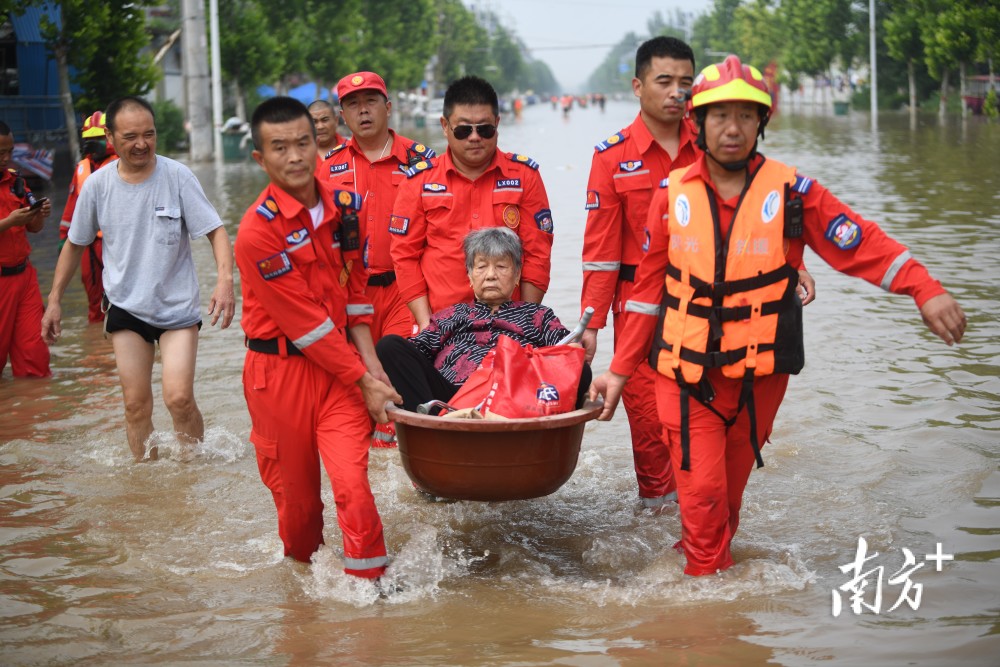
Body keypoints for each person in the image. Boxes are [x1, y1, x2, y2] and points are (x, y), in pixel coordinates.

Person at [590, 55, 967, 577]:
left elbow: (858, 242)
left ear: (761, 123)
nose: (733, 128)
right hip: (685, 377)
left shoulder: (794, 193)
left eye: (746, 115)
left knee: (728, 503)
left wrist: (924, 289)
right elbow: (647, 294)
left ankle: (703, 576)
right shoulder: (669, 197)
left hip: (758, 376)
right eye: (720, 115)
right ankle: (705, 619)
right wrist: (620, 369)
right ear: (697, 123)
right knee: (702, 500)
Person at [581, 36, 816, 510]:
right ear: (638, 86)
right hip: (642, 309)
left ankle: (707, 525)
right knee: (650, 427)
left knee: (725, 419)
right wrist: (591, 323)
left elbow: (761, 210)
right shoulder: (611, 156)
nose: (676, 92)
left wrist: (795, 263)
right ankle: (663, 524)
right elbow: (601, 253)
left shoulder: (717, 140)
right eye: (664, 81)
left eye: (685, 82)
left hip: (719, 306)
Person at [234, 96, 401, 579]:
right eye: (279, 147)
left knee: (353, 484)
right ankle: (303, 599)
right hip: (278, 377)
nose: (294, 157)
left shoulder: (345, 207)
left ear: (320, 143)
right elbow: (305, 324)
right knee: (299, 509)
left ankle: (371, 591)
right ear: (260, 159)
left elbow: (354, 293)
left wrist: (372, 369)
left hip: (340, 374)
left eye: (303, 143)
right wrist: (364, 378)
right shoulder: (256, 233)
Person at [41, 96, 235, 462]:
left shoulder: (177, 176)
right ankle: (147, 480)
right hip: (126, 306)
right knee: (135, 405)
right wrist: (53, 302)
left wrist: (225, 281)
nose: (141, 144)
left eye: (149, 134)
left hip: (176, 308)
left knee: (178, 398)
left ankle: (192, 470)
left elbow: (216, 231)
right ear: (111, 139)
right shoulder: (97, 186)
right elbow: (74, 244)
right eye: (130, 136)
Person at [322, 70, 436, 447]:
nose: (363, 111)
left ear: (388, 107)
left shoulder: (422, 162)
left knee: (397, 376)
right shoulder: (329, 167)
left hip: (406, 290)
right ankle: (369, 467)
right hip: (352, 296)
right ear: (343, 116)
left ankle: (404, 461)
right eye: (352, 104)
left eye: (371, 101)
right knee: (357, 388)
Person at [390, 75, 554, 330]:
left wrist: (526, 319)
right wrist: (425, 325)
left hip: (508, 323)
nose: (475, 137)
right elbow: (404, 257)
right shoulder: (418, 182)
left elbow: (537, 254)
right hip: (440, 324)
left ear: (498, 124)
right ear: (445, 126)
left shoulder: (524, 177)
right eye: (464, 130)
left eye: (484, 129)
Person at [378, 227, 589, 412]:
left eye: (501, 267)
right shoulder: (452, 315)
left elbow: (565, 348)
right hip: (451, 398)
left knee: (581, 368)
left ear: (517, 276)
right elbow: (416, 352)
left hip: (519, 397)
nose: (490, 275)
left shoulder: (536, 315)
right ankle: (438, 422)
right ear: (469, 275)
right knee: (389, 347)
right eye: (481, 267)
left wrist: (575, 348)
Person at [0, 121, 52, 378]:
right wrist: (9, 222)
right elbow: (12, 224)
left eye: (9, 151)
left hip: (24, 277)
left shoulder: (15, 181)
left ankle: (34, 413)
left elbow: (33, 228)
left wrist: (38, 215)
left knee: (35, 358)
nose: (7, 158)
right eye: (1, 153)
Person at [59, 110, 117, 323]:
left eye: (98, 139)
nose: (92, 145)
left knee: (127, 300)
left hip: (117, 243)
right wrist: (64, 237)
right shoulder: (82, 168)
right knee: (95, 302)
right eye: (89, 139)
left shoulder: (125, 164)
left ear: (110, 137)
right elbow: (71, 207)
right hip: (89, 245)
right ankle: (98, 350)